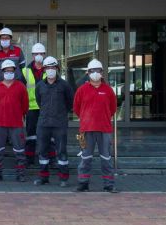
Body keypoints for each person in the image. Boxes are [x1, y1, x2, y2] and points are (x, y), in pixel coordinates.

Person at [73, 58, 118, 193]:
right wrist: (87, 119)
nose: (95, 73)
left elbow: (113, 108)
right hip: (86, 130)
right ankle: (83, 184)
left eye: (98, 70)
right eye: (92, 71)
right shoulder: (82, 90)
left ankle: (109, 185)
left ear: (102, 73)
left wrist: (101, 117)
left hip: (104, 129)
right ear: (88, 73)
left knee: (106, 158)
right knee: (85, 158)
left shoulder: (108, 90)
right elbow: (76, 108)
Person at [34, 55, 75, 186]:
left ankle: (63, 178)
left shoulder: (64, 85)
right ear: (44, 69)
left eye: (52, 67)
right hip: (43, 123)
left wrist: (60, 114)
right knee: (42, 151)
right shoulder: (40, 86)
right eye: (48, 68)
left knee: (61, 151)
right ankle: (43, 177)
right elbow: (39, 102)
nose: (50, 70)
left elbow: (70, 103)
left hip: (59, 124)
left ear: (56, 68)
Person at [0, 58, 30, 182]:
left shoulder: (21, 87)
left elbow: (25, 106)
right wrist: (0, 114)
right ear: (2, 72)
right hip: (0, 123)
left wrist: (18, 115)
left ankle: (21, 174)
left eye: (11, 71)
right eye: (6, 71)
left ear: (15, 71)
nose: (9, 73)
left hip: (16, 123)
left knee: (19, 150)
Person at [21, 42, 47, 169]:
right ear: (32, 55)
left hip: (46, 108)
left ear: (44, 54)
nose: (39, 56)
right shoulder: (25, 71)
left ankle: (49, 158)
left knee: (48, 135)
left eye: (41, 53)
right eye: (36, 53)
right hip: (31, 108)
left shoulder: (50, 70)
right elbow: (20, 91)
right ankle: (30, 158)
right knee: (31, 135)